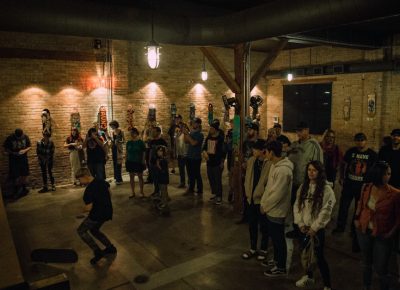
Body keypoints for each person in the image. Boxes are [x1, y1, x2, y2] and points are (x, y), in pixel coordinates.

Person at [354, 161, 400, 290]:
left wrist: (391, 233)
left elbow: (398, 217)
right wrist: (356, 219)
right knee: (366, 263)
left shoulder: (395, 194)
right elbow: (360, 204)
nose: (388, 176)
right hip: (364, 230)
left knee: (381, 268)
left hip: (382, 234)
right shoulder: (366, 187)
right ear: (377, 174)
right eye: (385, 174)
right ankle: (366, 286)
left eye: (389, 173)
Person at [332, 133, 378, 253]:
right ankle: (340, 227)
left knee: (358, 209)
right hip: (349, 185)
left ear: (366, 141)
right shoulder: (351, 151)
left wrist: (370, 184)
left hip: (362, 187)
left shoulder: (372, 155)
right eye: (358, 140)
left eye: (362, 140)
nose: (360, 142)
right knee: (343, 206)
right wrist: (341, 177)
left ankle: (353, 230)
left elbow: (374, 170)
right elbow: (343, 164)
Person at [293, 161, 336, 290]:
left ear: (320, 172)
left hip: (316, 230)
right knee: (305, 255)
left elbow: (326, 211)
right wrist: (300, 223)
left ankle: (327, 285)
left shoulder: (326, 189)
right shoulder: (304, 186)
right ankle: (308, 277)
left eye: (314, 170)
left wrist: (315, 227)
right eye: (309, 170)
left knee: (319, 257)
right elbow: (297, 205)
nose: (311, 173)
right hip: (304, 228)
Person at [261, 141, 293, 277]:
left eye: (266, 151)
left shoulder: (283, 170)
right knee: (274, 238)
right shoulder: (274, 165)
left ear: (272, 152)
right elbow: (269, 188)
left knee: (278, 239)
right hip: (270, 209)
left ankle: (281, 267)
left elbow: (278, 194)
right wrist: (264, 203)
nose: (265, 154)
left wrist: (266, 206)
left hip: (277, 210)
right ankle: (276, 260)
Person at [287, 121, 324, 239]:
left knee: (306, 208)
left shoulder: (314, 146)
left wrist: (315, 184)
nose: (298, 133)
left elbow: (319, 165)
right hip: (294, 183)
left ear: (307, 130)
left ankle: (308, 232)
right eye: (297, 130)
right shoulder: (294, 144)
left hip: (306, 183)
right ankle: (296, 229)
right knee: (295, 207)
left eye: (301, 130)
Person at [241, 139, 271, 261]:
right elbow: (248, 178)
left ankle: (263, 249)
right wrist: (248, 193)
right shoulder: (252, 161)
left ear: (262, 150)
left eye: (255, 149)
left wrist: (264, 199)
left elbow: (269, 184)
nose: (252, 151)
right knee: (252, 225)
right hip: (251, 200)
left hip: (262, 201)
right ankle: (253, 248)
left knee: (264, 226)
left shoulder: (269, 164)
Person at [77, 175, 116, 265]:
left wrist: (80, 211)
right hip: (107, 211)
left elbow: (88, 207)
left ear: (85, 176)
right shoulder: (101, 180)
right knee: (94, 229)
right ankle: (110, 248)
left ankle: (97, 252)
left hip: (96, 215)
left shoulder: (88, 190)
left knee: (81, 231)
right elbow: (110, 193)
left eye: (79, 179)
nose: (80, 182)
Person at [203, 120, 226, 205]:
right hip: (209, 162)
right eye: (210, 128)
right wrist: (204, 153)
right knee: (211, 178)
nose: (210, 130)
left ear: (216, 129)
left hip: (217, 162)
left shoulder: (220, 139)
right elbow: (204, 148)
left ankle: (219, 196)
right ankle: (215, 194)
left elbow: (223, 152)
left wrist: (222, 162)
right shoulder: (208, 137)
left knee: (217, 180)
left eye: (212, 128)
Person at [3, 129, 32, 198]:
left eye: (20, 137)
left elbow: (29, 146)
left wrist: (24, 150)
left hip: (23, 159)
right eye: (18, 137)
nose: (19, 138)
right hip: (14, 160)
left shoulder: (25, 137)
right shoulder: (10, 138)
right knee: (15, 175)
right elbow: (5, 148)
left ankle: (24, 189)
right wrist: (13, 153)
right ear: (15, 135)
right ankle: (16, 190)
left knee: (24, 174)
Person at [183, 117, 204, 196]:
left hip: (196, 158)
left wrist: (187, 134)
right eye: (192, 123)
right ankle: (191, 188)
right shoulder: (191, 133)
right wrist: (185, 134)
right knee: (190, 174)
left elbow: (193, 143)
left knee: (196, 174)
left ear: (198, 124)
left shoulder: (200, 135)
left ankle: (199, 189)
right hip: (189, 156)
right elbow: (186, 141)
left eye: (194, 123)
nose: (193, 124)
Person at [126, 128, 146, 198]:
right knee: (131, 177)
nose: (131, 134)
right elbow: (127, 152)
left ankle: (141, 192)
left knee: (140, 176)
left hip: (138, 161)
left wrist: (143, 160)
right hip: (130, 161)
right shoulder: (129, 142)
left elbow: (144, 152)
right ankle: (132, 192)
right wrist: (126, 160)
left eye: (132, 133)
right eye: (130, 133)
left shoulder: (140, 142)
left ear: (136, 133)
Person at [148, 127, 168, 196]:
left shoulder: (162, 141)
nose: (152, 133)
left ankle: (165, 195)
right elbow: (150, 151)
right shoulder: (151, 141)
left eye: (154, 131)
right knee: (154, 178)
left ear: (159, 132)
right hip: (153, 162)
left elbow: (166, 152)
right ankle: (156, 191)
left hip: (160, 164)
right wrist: (149, 161)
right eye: (152, 131)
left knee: (162, 180)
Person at [153, 145, 170, 211]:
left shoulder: (164, 160)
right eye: (158, 151)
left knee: (163, 191)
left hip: (163, 178)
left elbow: (163, 170)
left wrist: (158, 165)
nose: (159, 152)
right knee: (162, 190)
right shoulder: (159, 159)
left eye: (160, 151)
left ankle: (165, 203)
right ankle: (163, 201)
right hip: (160, 177)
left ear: (163, 152)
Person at [109, 120, 125, 185]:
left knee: (119, 164)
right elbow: (112, 141)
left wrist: (119, 142)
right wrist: (111, 140)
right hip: (114, 148)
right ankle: (117, 178)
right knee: (115, 163)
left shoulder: (121, 131)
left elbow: (124, 140)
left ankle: (119, 179)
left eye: (112, 126)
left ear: (115, 125)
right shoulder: (112, 132)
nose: (111, 127)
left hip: (119, 149)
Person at [175, 122, 189, 188]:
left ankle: (189, 183)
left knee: (188, 169)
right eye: (179, 126)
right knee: (181, 169)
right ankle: (182, 182)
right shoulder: (178, 134)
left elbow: (188, 144)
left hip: (185, 154)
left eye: (181, 127)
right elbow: (176, 144)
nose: (180, 128)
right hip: (180, 154)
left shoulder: (187, 134)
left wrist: (186, 153)